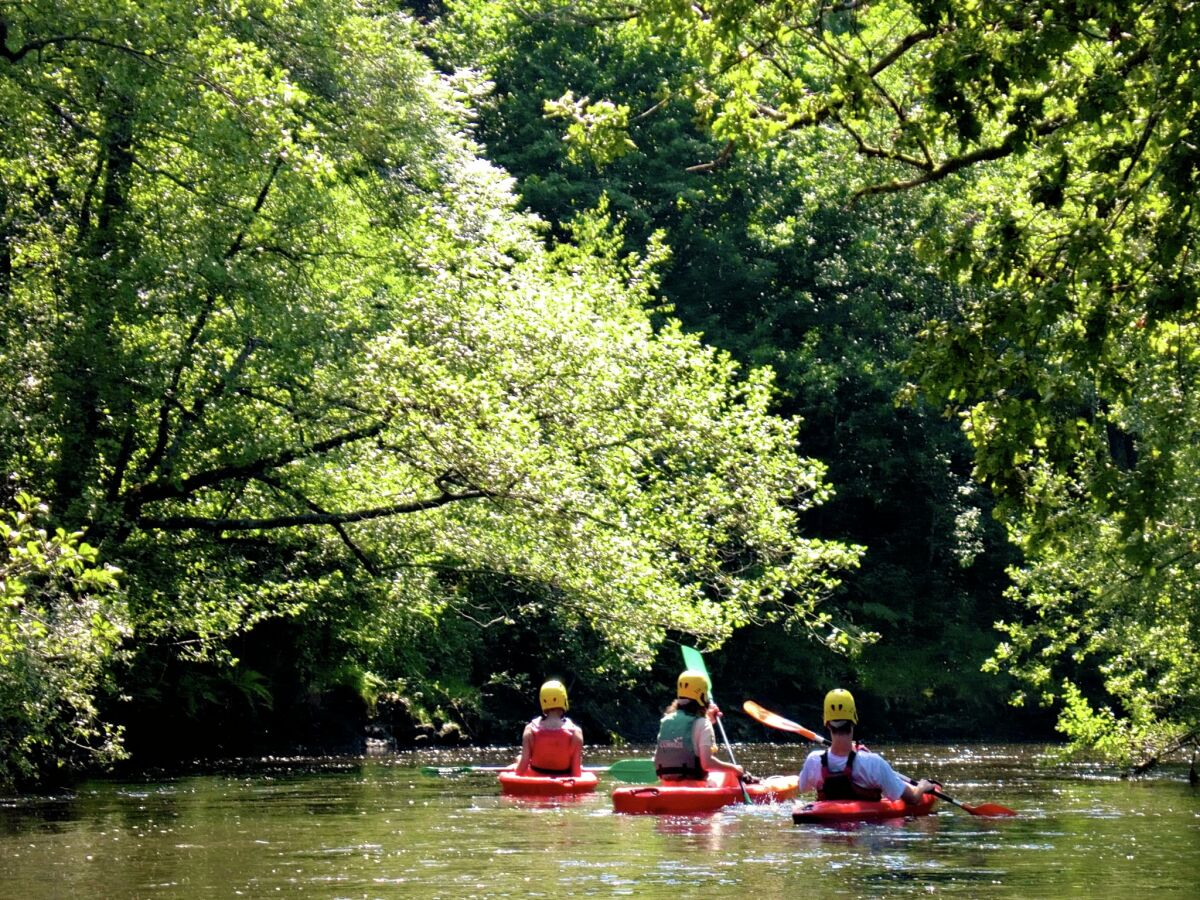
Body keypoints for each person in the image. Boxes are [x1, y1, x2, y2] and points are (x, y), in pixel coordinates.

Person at [798, 688, 936, 803]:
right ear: (854, 720)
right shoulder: (873, 762)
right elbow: (912, 799)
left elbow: (802, 787)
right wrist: (922, 787)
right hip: (867, 829)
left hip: (825, 830)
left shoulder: (813, 760)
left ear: (826, 722)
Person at [653, 669, 745, 780]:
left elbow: (690, 734)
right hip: (694, 785)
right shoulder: (703, 724)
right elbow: (706, 764)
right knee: (730, 774)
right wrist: (734, 768)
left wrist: (708, 719)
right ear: (702, 696)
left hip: (666, 784)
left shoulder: (666, 720)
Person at [514, 680, 584, 777]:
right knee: (580, 763)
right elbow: (576, 773)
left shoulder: (530, 729)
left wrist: (517, 764)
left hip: (536, 782)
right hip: (562, 785)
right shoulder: (576, 732)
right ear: (564, 699)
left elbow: (521, 769)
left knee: (519, 758)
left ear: (543, 701)